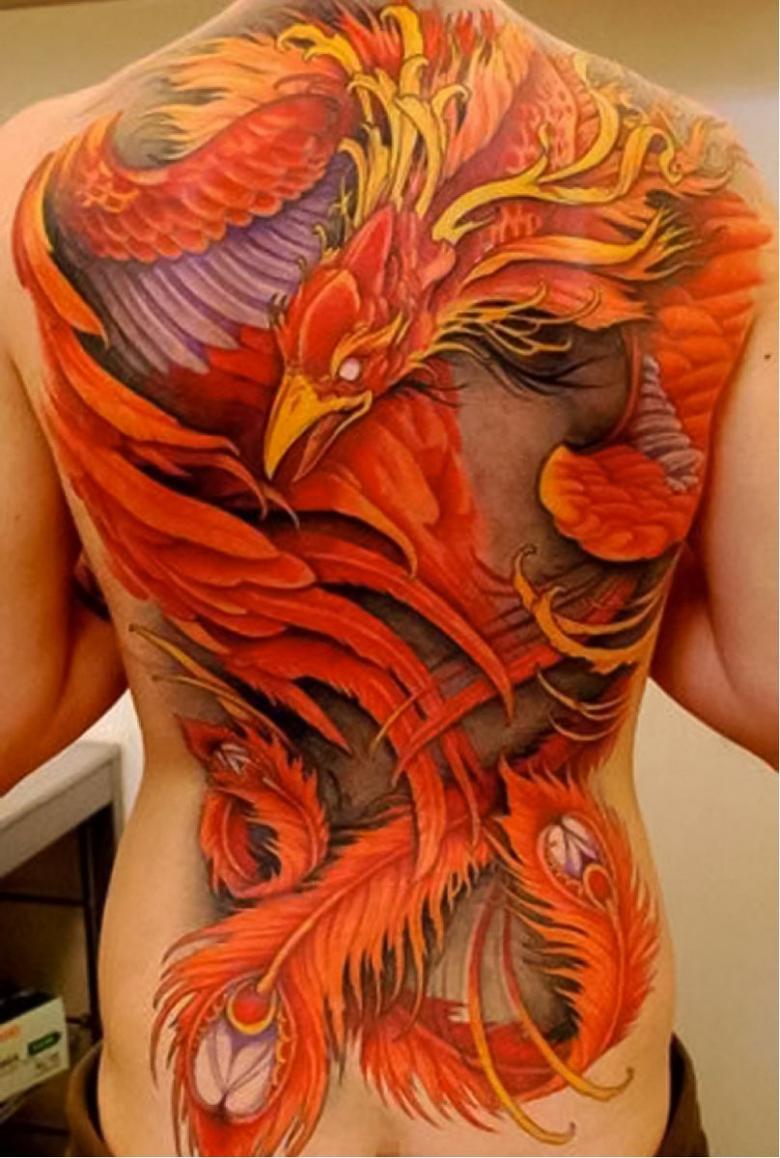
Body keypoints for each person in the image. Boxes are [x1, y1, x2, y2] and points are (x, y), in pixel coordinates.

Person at [0, 1, 775, 1155]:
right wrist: (614, 602)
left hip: (198, 1112)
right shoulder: (700, 175)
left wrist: (166, 568)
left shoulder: (37, 172)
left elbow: (11, 702)